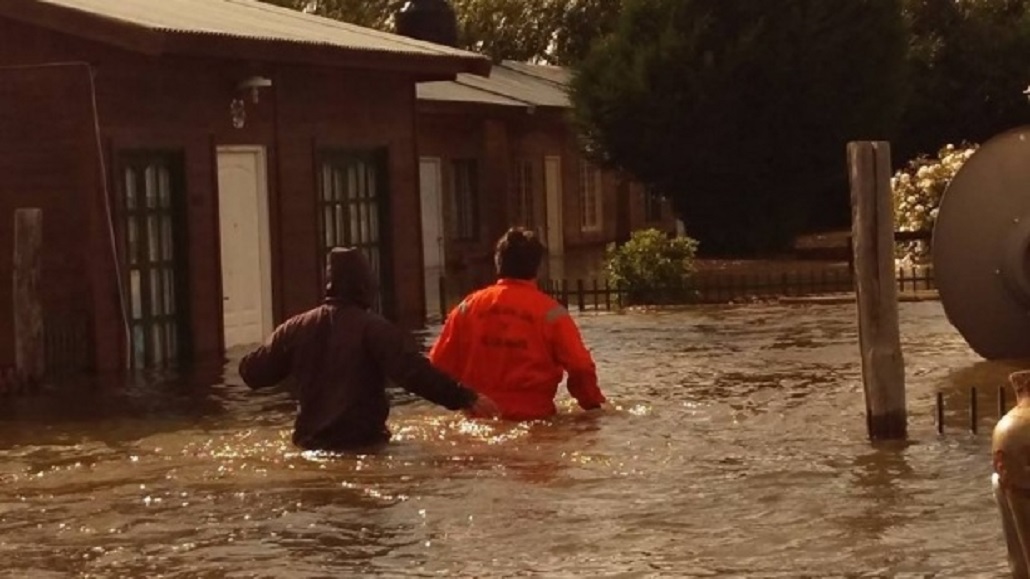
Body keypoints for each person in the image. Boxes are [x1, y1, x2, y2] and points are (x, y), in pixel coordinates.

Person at [238, 247, 500, 451]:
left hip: (309, 446)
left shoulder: (295, 328)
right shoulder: (376, 330)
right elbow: (414, 374)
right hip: (364, 446)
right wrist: (467, 398)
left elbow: (252, 373)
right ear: (367, 285)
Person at [429, 227, 607, 420]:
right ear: (538, 267)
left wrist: (463, 399)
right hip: (536, 423)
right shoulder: (552, 314)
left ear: (498, 263)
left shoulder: (466, 308)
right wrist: (592, 405)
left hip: (478, 419)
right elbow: (581, 368)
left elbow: (437, 367)